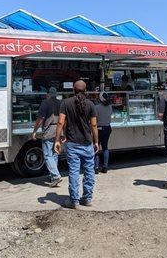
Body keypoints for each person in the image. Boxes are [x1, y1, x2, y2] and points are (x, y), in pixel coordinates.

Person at [55, 80, 99, 208]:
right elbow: (94, 125)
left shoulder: (66, 103)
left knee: (74, 172)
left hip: (72, 143)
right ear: (85, 91)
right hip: (87, 143)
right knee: (89, 171)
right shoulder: (91, 105)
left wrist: (57, 140)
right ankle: (87, 199)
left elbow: (60, 123)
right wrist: (96, 141)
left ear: (73, 90)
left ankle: (74, 201)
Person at [31, 87, 62, 187]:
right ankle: (53, 177)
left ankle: (56, 175)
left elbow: (40, 119)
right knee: (54, 154)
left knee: (48, 155)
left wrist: (34, 131)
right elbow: (63, 119)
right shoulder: (60, 103)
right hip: (58, 131)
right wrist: (64, 132)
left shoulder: (45, 103)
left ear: (48, 94)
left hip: (49, 131)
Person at [94, 91, 113, 174]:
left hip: (98, 129)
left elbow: (94, 118)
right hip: (107, 128)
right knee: (105, 147)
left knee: (96, 147)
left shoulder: (97, 107)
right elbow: (111, 115)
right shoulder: (110, 107)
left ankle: (96, 167)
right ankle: (105, 167)